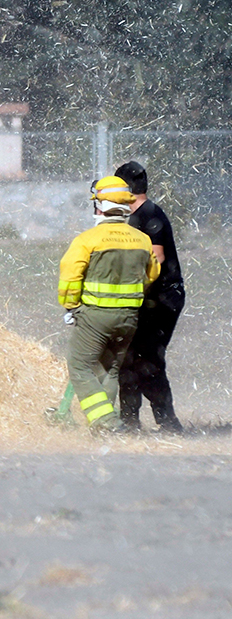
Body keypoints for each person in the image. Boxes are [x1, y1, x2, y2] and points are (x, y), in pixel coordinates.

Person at [58, 175, 160, 435]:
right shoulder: (142, 240)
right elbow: (152, 274)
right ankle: (105, 427)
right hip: (129, 318)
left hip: (95, 317)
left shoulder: (88, 240)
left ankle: (107, 423)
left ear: (99, 206)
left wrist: (70, 306)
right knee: (109, 370)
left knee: (80, 366)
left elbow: (70, 274)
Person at [114, 161, 186, 433]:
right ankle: (129, 421)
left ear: (125, 189)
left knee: (148, 360)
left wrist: (127, 288)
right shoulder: (136, 216)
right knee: (128, 358)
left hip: (163, 299)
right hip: (148, 299)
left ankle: (168, 424)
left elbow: (157, 257)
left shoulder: (149, 214)